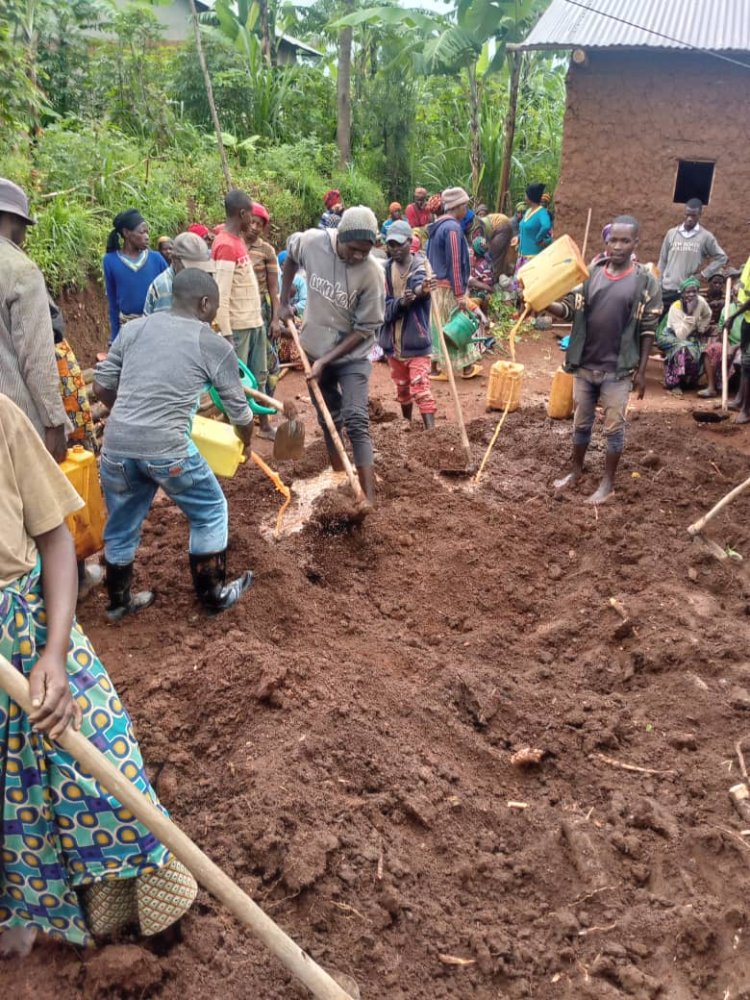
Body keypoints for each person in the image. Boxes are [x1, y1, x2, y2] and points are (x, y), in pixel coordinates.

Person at [0, 393, 197, 959]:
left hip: (30, 627)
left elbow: (55, 538)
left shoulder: (3, 419)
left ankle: (143, 922)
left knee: (107, 771)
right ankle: (26, 916)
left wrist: (54, 654)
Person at [94, 269, 255, 617]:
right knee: (210, 511)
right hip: (168, 450)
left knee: (122, 522)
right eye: (214, 309)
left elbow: (102, 386)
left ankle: (119, 602)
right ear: (205, 303)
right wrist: (247, 445)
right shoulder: (213, 344)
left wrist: (131, 416)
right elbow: (241, 414)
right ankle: (213, 596)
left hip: (116, 447)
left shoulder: (134, 329)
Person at [546, 216, 661, 505]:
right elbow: (571, 310)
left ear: (636, 243)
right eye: (613, 240)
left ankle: (607, 483)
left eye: (625, 241)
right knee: (581, 423)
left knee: (613, 428)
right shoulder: (592, 273)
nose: (618, 246)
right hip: (585, 365)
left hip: (617, 370)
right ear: (606, 242)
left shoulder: (644, 281)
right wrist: (545, 304)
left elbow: (648, 328)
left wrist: (642, 371)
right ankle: (575, 471)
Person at [280, 206, 385, 506]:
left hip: (353, 355)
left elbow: (365, 328)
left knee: (355, 417)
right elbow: (290, 257)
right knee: (328, 417)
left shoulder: (372, 273)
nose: (357, 257)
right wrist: (282, 302)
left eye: (364, 252)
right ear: (340, 237)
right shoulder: (313, 242)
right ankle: (339, 474)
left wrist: (328, 360)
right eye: (353, 249)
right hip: (314, 347)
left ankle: (368, 497)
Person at [0, 178, 69, 462]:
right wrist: (54, 423)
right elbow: (36, 360)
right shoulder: (20, 270)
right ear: (13, 219)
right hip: (13, 422)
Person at [211, 189, 275, 440]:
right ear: (242, 213)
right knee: (235, 385)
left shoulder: (236, 241)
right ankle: (235, 433)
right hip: (238, 327)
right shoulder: (225, 245)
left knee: (258, 375)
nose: (253, 219)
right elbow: (221, 295)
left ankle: (264, 425)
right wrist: (225, 333)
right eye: (250, 214)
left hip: (253, 321)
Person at [378, 219, 436, 430]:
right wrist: (401, 303)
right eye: (390, 244)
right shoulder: (385, 271)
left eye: (398, 244)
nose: (394, 249)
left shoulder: (421, 265)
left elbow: (419, 286)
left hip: (416, 341)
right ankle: (407, 426)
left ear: (410, 242)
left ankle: (432, 434)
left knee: (420, 388)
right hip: (393, 343)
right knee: (402, 388)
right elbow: (382, 306)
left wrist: (422, 290)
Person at [426, 186, 481, 380]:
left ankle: (435, 367)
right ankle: (466, 368)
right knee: (458, 324)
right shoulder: (452, 229)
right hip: (448, 287)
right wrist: (459, 293)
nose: (466, 209)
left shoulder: (436, 227)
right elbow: (455, 263)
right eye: (464, 205)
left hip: (435, 286)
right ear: (456, 206)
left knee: (438, 325)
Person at [102, 209, 168, 344]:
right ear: (126, 233)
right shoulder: (110, 261)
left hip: (157, 330)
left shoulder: (156, 259)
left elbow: (171, 291)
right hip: (129, 331)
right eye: (142, 232)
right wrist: (115, 336)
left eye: (147, 232)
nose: (147, 236)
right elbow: (113, 303)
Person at [657, 199, 727, 317]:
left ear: (700, 215)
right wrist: (659, 284)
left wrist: (703, 274)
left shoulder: (705, 237)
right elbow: (662, 260)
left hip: (687, 292)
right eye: (687, 214)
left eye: (693, 215)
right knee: (660, 324)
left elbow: (722, 257)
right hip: (667, 289)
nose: (689, 218)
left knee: (681, 328)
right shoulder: (672, 233)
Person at [245, 202, 281, 394]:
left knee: (266, 360)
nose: (255, 227)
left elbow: (273, 289)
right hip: (240, 307)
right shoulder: (233, 245)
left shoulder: (266, 251)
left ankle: (265, 404)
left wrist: (275, 320)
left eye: (260, 224)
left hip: (262, 310)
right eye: (252, 222)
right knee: (243, 359)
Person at [654, 277, 713, 393]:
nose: (691, 295)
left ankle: (688, 381)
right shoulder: (676, 307)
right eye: (688, 292)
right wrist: (689, 316)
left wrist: (701, 328)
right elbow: (680, 336)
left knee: (702, 350)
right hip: (669, 336)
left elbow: (708, 314)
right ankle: (674, 383)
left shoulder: (701, 302)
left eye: (694, 291)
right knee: (682, 348)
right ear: (682, 294)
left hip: (690, 337)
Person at [143, 231, 211, 315]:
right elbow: (167, 325)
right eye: (190, 267)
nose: (196, 272)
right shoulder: (166, 287)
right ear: (175, 260)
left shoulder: (190, 280)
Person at [514, 183, 553, 289]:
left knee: (528, 288)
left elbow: (546, 226)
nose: (525, 197)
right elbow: (525, 228)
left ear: (531, 197)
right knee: (519, 289)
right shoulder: (528, 211)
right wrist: (518, 238)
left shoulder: (542, 213)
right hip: (522, 256)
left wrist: (538, 239)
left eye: (526, 195)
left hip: (532, 258)